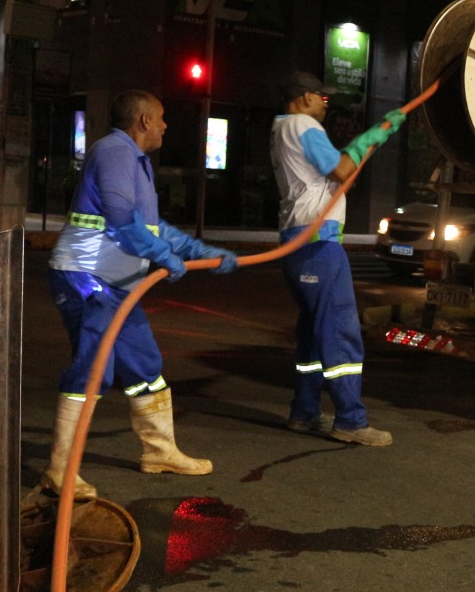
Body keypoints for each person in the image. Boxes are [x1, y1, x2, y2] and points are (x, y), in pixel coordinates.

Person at [41, 90, 239, 498]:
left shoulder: (135, 161)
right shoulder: (115, 151)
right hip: (88, 279)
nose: (165, 126)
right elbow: (120, 221)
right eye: (161, 117)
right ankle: (60, 471)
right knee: (94, 369)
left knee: (145, 364)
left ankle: (160, 452)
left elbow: (152, 228)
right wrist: (164, 257)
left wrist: (200, 252)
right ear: (144, 120)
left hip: (117, 286)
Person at [271, 71, 405, 446]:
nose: (325, 104)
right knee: (340, 331)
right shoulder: (302, 125)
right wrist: (373, 135)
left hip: (300, 242)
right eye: (322, 97)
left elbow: (338, 177)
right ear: (304, 97)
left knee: (313, 335)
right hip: (317, 246)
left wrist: (369, 142)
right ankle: (350, 419)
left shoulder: (281, 128)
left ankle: (304, 412)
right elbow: (342, 169)